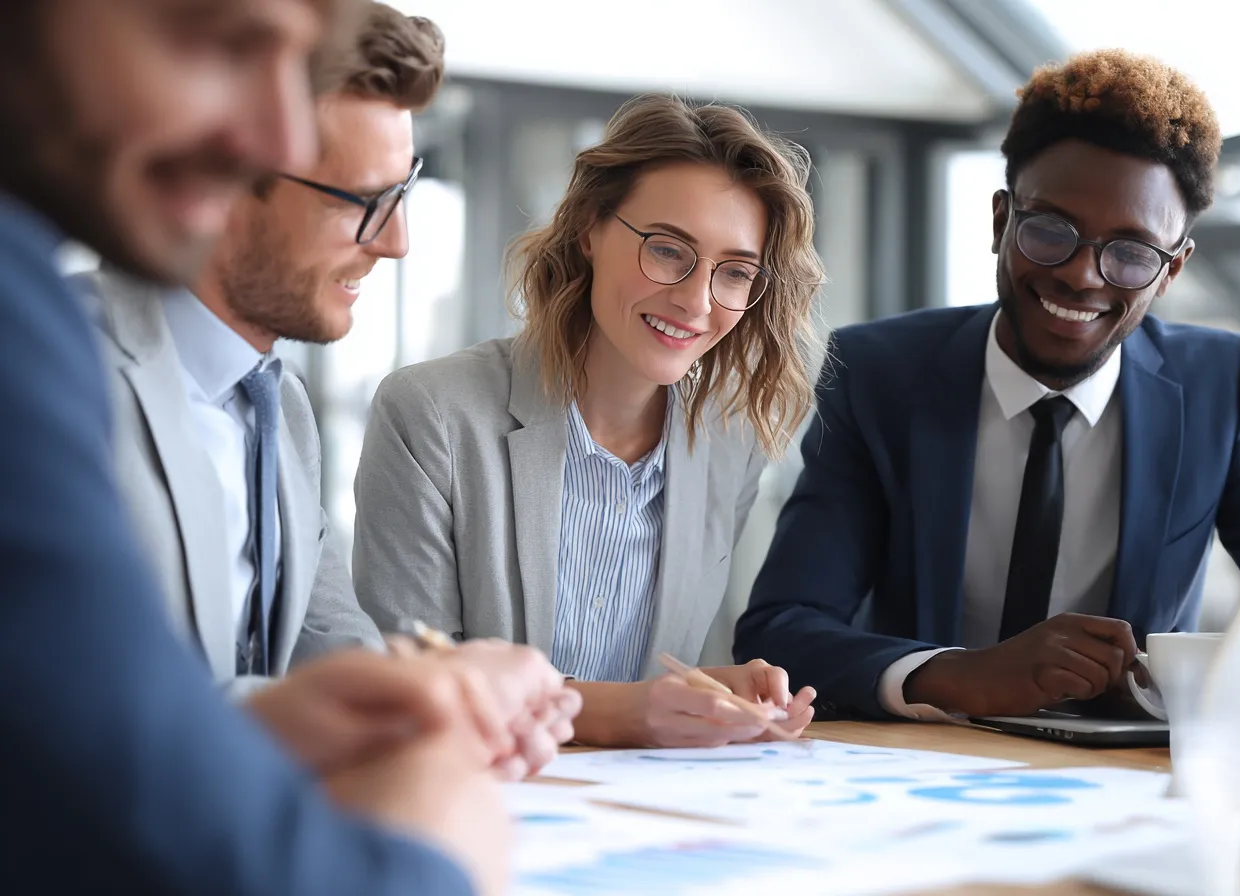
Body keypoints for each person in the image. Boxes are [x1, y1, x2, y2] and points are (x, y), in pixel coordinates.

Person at [0, 1, 562, 893]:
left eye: (406, 193)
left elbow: (329, 647)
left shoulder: (282, 407)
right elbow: (75, 732)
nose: (400, 241)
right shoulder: (53, 354)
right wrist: (434, 835)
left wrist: (433, 703)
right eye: (367, 203)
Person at [735, 49, 1240, 722]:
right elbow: (781, 631)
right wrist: (960, 675)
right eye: (1052, 230)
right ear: (1001, 221)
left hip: (1126, 778)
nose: (1083, 276)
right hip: (924, 766)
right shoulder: (881, 374)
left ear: (1172, 272)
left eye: (1133, 252)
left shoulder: (1216, 387)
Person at [354, 94, 824, 747]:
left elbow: (649, 675)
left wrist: (712, 694)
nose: (695, 300)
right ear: (589, 229)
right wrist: (614, 712)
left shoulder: (731, 444)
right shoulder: (431, 412)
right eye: (667, 250)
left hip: (636, 821)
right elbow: (410, 686)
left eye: (735, 272)